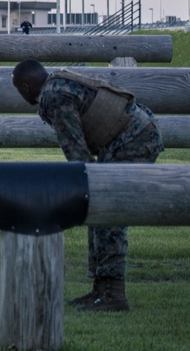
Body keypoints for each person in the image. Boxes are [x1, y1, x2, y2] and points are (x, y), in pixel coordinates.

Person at [11, 59, 164, 312]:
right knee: (99, 208)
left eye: (18, 88)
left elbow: (77, 154)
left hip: (133, 140)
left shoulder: (53, 96)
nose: (20, 93)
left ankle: (113, 294)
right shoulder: (58, 83)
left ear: (26, 86)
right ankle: (100, 289)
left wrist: (82, 186)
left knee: (108, 212)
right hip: (131, 135)